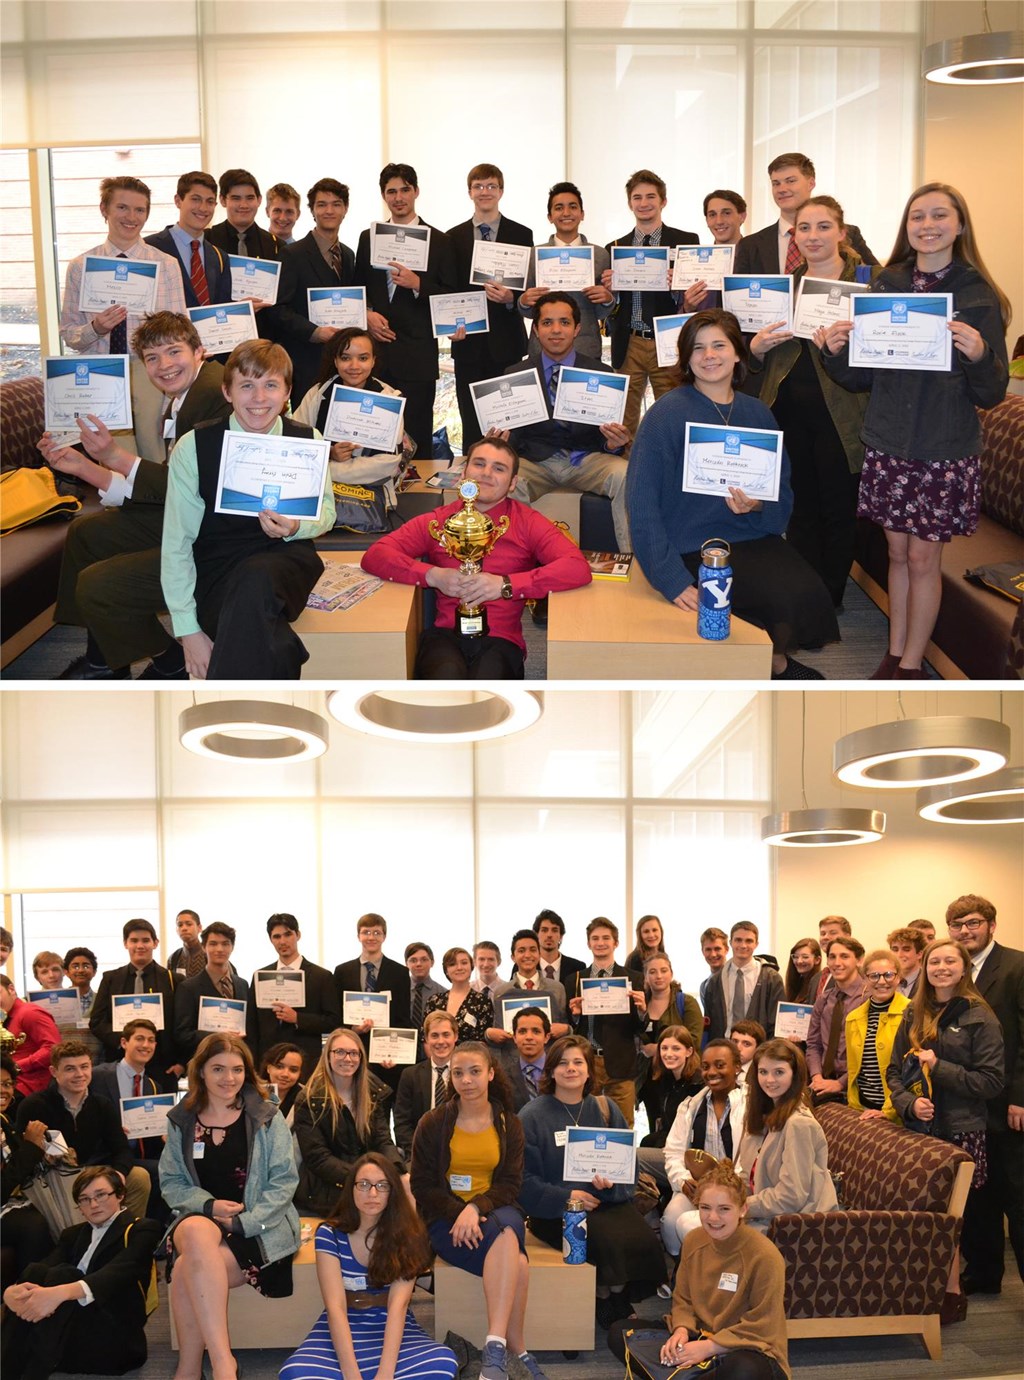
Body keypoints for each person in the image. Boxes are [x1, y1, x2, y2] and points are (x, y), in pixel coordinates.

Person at [818, 182, 1010, 677]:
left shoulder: (977, 293)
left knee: (924, 560)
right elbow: (861, 376)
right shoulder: (888, 283)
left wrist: (979, 354)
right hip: (888, 441)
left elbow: (991, 391)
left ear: (960, 225)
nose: (928, 225)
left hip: (942, 448)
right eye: (917, 216)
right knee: (897, 553)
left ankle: (910, 663)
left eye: (940, 215)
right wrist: (835, 351)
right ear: (906, 227)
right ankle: (895, 648)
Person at [627, 309, 838, 680]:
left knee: (805, 592)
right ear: (686, 359)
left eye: (719, 345)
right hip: (690, 546)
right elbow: (641, 504)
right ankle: (773, 665)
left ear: (738, 353)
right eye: (698, 348)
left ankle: (771, 661)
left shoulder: (758, 414)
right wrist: (669, 578)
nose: (709, 355)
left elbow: (781, 496)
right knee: (751, 599)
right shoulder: (665, 414)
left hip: (750, 537)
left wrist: (757, 505)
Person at [41, 311, 231, 681]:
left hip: (210, 533)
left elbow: (183, 487)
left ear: (199, 351)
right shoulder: (186, 396)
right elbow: (173, 484)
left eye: (173, 352)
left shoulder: (212, 396)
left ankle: (168, 658)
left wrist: (113, 456)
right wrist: (84, 467)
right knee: (87, 533)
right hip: (191, 514)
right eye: (152, 358)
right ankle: (104, 659)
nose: (164, 365)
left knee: (98, 584)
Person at [161, 337, 336, 678]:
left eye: (270, 385)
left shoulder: (307, 440)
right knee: (278, 646)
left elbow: (327, 513)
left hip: (287, 561)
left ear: (287, 393)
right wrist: (188, 631)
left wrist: (296, 527)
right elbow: (177, 542)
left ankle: (223, 701)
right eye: (246, 386)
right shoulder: (194, 447)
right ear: (227, 392)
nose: (258, 398)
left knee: (256, 575)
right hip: (218, 569)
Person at [361, 437, 591, 679]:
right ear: (463, 474)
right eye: (479, 464)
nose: (486, 473)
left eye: (499, 468)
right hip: (445, 634)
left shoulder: (527, 522)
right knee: (445, 678)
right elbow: (376, 555)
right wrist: (432, 576)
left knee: (486, 683)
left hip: (501, 641)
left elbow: (577, 568)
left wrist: (506, 585)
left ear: (513, 483)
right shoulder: (439, 521)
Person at [749, 196, 879, 608]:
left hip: (843, 414)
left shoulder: (868, 284)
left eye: (823, 227)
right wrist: (756, 349)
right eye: (804, 228)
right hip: (788, 411)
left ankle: (830, 597)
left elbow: (882, 354)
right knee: (799, 504)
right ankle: (806, 596)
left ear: (842, 232)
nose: (813, 236)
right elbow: (763, 355)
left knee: (838, 507)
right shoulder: (785, 286)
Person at [160, 1035, 300, 1379]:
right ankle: (225, 1364)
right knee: (196, 1229)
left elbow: (284, 1182)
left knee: (185, 1269)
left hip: (256, 1227)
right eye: (218, 1069)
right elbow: (172, 1182)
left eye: (237, 1069)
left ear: (247, 1072)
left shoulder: (266, 1115)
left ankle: (189, 1369)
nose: (229, 1078)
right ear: (201, 1072)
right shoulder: (182, 1119)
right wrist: (208, 1206)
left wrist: (243, 1223)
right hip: (200, 1219)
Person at [409, 1042, 548, 1380]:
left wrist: (475, 1207)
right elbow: (421, 1186)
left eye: (474, 1072)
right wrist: (459, 1212)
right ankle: (516, 1349)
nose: (466, 1080)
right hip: (447, 1221)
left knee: (506, 1229)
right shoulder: (433, 1123)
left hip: (498, 1209)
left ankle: (494, 1346)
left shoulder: (509, 1123)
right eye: (458, 1073)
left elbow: (511, 1184)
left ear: (490, 1074)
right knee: (517, 1260)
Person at [886, 938, 1003, 1324]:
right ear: (925, 967)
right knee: (927, 1217)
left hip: (961, 1131)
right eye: (934, 961)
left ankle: (952, 1294)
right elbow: (894, 1072)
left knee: (953, 1218)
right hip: (919, 1129)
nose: (941, 968)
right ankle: (924, 1291)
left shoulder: (980, 1016)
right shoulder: (913, 1011)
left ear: (964, 967)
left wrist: (940, 1068)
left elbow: (990, 1082)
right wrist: (909, 1103)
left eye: (950, 961)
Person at [519, 1035, 665, 1328]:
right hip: (557, 1211)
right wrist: (567, 1197)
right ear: (551, 1070)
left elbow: (630, 1169)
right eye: (562, 1063)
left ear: (589, 1071)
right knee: (606, 1242)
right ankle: (604, 1298)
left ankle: (615, 1294)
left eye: (578, 1062)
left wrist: (611, 1186)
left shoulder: (605, 1108)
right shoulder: (531, 1116)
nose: (571, 1069)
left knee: (645, 1240)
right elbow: (524, 1180)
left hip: (607, 1202)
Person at [281, 1153, 458, 1380]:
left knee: (443, 1363)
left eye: (382, 1186)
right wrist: (352, 1375)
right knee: (295, 1372)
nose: (372, 1193)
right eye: (364, 1184)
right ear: (351, 1189)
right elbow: (335, 1307)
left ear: (392, 1192)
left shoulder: (407, 1235)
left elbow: (398, 1307)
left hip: (391, 1324)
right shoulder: (329, 1234)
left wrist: (385, 1374)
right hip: (344, 1322)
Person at [607, 1161, 790, 1380]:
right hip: (698, 1336)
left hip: (745, 1347)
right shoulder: (694, 1240)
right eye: (705, 1208)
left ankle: (681, 1373)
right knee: (619, 1333)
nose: (713, 1218)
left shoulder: (765, 1256)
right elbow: (683, 1299)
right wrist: (681, 1330)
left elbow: (763, 1325)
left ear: (742, 1209)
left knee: (743, 1371)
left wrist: (710, 1347)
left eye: (724, 1209)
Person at [491, 291, 631, 553]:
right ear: (536, 329)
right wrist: (501, 441)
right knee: (501, 480)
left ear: (577, 329)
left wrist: (613, 444)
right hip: (535, 461)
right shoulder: (516, 374)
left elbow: (605, 437)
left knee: (626, 476)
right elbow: (516, 435)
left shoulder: (601, 373)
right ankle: (518, 559)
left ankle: (632, 559)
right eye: (547, 323)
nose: (556, 330)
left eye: (564, 322)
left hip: (586, 459)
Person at [1, 1165, 161, 1379]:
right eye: (84, 1199)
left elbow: (116, 1274)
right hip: (70, 1338)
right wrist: (11, 1292)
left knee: (65, 1276)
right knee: (37, 1272)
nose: (93, 1204)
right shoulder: (72, 1234)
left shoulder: (143, 1230)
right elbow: (43, 1268)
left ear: (120, 1195)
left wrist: (59, 1294)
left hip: (115, 1342)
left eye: (101, 1195)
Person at [944, 895, 1024, 1295]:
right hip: (968, 1107)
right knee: (979, 1196)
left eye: (973, 923)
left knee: (1017, 1197)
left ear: (991, 925)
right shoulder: (952, 973)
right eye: (957, 925)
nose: (965, 931)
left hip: (1008, 1104)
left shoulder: (1016, 966)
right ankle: (985, 1274)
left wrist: (1020, 1097)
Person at [354, 162, 456, 456]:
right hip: (376, 355)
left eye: (404, 190)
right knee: (375, 439)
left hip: (417, 356)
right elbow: (358, 289)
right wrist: (366, 315)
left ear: (416, 192)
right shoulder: (368, 238)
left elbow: (450, 296)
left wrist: (418, 284)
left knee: (418, 438)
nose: (398, 197)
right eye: (391, 191)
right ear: (383, 196)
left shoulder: (440, 241)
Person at [603, 169, 699, 440]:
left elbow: (696, 296)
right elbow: (609, 306)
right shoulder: (614, 248)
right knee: (624, 418)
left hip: (668, 340)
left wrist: (679, 285)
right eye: (637, 197)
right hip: (629, 341)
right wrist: (612, 292)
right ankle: (627, 465)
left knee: (673, 414)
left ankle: (669, 464)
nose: (643, 203)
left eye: (650, 197)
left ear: (663, 201)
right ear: (629, 203)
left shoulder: (686, 242)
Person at [446, 163, 534, 449]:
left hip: (507, 343)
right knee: (472, 422)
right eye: (479, 186)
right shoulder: (451, 237)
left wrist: (512, 299)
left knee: (509, 422)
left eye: (491, 186)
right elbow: (448, 289)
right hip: (467, 342)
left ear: (501, 191)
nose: (485, 192)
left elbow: (529, 286)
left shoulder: (522, 234)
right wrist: (448, 324)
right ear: (469, 192)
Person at [16, 1040, 150, 1221]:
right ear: (54, 1072)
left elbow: (122, 1149)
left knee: (139, 1177)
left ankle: (124, 1231)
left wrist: (118, 1174)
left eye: (84, 1067)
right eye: (70, 1069)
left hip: (92, 1172)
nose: (79, 1074)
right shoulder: (34, 1106)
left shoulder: (102, 1104)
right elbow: (21, 1156)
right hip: (52, 1177)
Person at [293, 326, 410, 529]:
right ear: (335, 361)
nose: (354, 366)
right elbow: (295, 446)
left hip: (371, 496)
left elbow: (389, 464)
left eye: (363, 358)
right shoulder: (318, 394)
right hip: (318, 496)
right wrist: (329, 453)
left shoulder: (389, 399)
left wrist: (325, 469)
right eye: (345, 358)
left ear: (373, 361)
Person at [58, 175, 186, 356]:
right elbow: (69, 334)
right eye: (122, 207)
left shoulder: (167, 266)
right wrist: (96, 328)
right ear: (104, 209)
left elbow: (179, 332)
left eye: (139, 210)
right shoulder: (80, 267)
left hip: (151, 369)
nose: (131, 217)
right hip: (100, 369)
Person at [293, 1028, 404, 1218]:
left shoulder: (372, 1093)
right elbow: (318, 1158)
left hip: (368, 1185)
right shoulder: (309, 1099)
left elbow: (383, 1140)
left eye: (354, 1053)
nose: (348, 1058)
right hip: (326, 1190)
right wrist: (363, 1178)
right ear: (328, 1056)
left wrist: (396, 1171)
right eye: (340, 1052)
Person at [736, 1040, 837, 1231]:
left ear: (795, 1075)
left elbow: (791, 1197)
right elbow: (748, 1175)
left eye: (779, 1072)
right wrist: (728, 1196)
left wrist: (741, 1207)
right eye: (763, 1072)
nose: (769, 1080)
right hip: (765, 1215)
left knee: (695, 1225)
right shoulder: (762, 1114)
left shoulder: (799, 1124)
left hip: (797, 1225)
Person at [661, 1039, 747, 1254]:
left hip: (734, 1188)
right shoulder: (691, 1105)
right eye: (706, 1066)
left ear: (737, 1067)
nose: (712, 1072)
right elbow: (673, 1151)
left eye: (720, 1065)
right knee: (670, 1221)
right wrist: (683, 1180)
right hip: (697, 1186)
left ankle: (707, 1265)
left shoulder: (751, 1105)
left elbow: (752, 1157)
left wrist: (729, 1187)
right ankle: (682, 1267)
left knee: (690, 1225)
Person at [277, 179, 357, 404]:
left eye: (336, 204)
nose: (329, 211)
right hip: (307, 362)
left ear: (345, 209)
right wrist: (315, 332)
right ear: (312, 210)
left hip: (344, 364)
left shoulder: (348, 255)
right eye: (322, 205)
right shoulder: (292, 254)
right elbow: (279, 309)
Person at [735, 151, 875, 275]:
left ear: (811, 183)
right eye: (776, 183)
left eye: (790, 181)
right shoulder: (750, 246)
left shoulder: (850, 235)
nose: (782, 189)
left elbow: (879, 282)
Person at [518, 181, 613, 360]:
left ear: (582, 214)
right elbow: (528, 313)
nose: (566, 213)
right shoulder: (533, 255)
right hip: (542, 350)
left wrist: (607, 300)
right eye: (559, 208)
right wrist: (523, 302)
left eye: (573, 207)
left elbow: (600, 313)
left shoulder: (600, 255)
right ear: (550, 216)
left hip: (585, 348)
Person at [567, 917, 646, 1126]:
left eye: (606, 938)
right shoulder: (575, 979)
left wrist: (641, 1011)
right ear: (588, 943)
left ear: (615, 943)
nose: (600, 942)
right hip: (587, 1060)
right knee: (584, 1123)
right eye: (595, 938)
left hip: (621, 1063)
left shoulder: (633, 978)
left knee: (623, 1125)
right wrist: (576, 1015)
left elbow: (639, 1028)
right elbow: (570, 1026)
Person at [247, 912, 342, 1079]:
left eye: (288, 934)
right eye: (276, 936)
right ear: (270, 940)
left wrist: (298, 1018)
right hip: (268, 1063)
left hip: (306, 1063)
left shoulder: (321, 977)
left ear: (298, 935)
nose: (282, 941)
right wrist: (253, 1066)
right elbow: (252, 1025)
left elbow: (333, 1021)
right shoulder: (260, 977)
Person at [89, 918, 180, 1087]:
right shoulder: (111, 979)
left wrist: (182, 1064)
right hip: (119, 1063)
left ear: (155, 943)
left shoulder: (174, 980)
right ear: (126, 943)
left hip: (163, 1068)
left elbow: (182, 1024)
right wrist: (126, 1042)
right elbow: (97, 1021)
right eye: (134, 940)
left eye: (145, 940)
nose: (140, 946)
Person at [334, 912, 413, 1095]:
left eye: (377, 933)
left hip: (385, 1054)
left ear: (384, 936)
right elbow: (335, 1014)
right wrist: (353, 1029)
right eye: (366, 932)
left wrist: (394, 1053)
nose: (371, 937)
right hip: (351, 1050)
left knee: (382, 1104)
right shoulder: (342, 971)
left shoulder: (400, 972)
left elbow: (402, 1019)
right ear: (358, 936)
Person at [0, 1055, 52, 1296]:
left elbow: (19, 1167)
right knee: (35, 1225)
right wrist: (30, 1148)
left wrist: (42, 1151)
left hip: (9, 1202)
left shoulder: (4, 1120)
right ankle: (25, 1299)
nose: (4, 1090)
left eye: (7, 1084)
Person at [144, 170, 232, 308]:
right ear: (178, 201)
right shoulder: (149, 248)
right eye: (196, 199)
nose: (203, 208)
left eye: (209, 201)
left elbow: (222, 307)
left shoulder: (219, 257)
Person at [637, 1025, 704, 1197]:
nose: (668, 1053)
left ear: (689, 1051)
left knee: (633, 1158)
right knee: (647, 1141)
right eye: (664, 1048)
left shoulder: (698, 1085)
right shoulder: (666, 1079)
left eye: (676, 1048)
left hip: (685, 1154)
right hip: (668, 1144)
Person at [845, 949, 909, 1122]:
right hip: (862, 1109)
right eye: (874, 976)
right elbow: (853, 1071)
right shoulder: (853, 1018)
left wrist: (889, 1110)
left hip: (899, 1112)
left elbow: (912, 1073)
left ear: (898, 977)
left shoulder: (912, 1013)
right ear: (865, 979)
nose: (882, 981)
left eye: (888, 975)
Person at [173, 922, 250, 1061]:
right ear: (204, 947)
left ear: (232, 947)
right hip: (204, 1061)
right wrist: (218, 1036)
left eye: (225, 944)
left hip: (237, 1060)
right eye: (213, 944)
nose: (219, 949)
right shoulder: (188, 988)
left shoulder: (242, 985)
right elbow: (182, 1034)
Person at [805, 937, 866, 1106]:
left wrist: (840, 1083)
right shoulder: (824, 999)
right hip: (822, 1082)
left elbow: (870, 1054)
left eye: (844, 956)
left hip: (856, 1086)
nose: (837, 963)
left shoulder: (869, 998)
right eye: (832, 957)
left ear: (859, 960)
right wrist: (817, 1077)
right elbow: (813, 1044)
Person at [704, 922, 785, 1043]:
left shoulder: (771, 979)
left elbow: (777, 1024)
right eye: (738, 940)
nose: (743, 945)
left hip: (759, 1047)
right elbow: (710, 1026)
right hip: (725, 1046)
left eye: (749, 941)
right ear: (730, 942)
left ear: (756, 944)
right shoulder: (715, 981)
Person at [486, 929, 569, 1044]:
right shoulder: (502, 991)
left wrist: (567, 1029)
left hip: (548, 1053)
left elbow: (564, 1027)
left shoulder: (557, 988)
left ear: (539, 954)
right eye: (521, 951)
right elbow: (497, 1032)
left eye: (533, 950)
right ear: (513, 957)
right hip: (512, 1053)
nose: (528, 955)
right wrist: (488, 1034)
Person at [394, 1011, 460, 1155]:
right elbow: (402, 1123)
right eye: (434, 1035)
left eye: (446, 1035)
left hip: (460, 1151)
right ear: (426, 1038)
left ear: (455, 1036)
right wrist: (418, 1150)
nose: (440, 1041)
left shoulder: (465, 1074)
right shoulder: (410, 1075)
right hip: (420, 1151)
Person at [206, 168, 283, 262]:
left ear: (259, 200)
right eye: (236, 198)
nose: (243, 205)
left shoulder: (275, 246)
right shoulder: (206, 241)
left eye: (250, 198)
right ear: (222, 200)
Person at [0, 975, 60, 1094]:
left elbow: (53, 1048)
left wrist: (16, 1066)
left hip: (25, 1086)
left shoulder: (30, 1013)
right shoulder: (4, 1016)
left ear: (11, 989)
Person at [424, 947, 495, 1045]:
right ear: (446, 970)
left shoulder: (482, 1001)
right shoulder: (434, 1001)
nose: (459, 967)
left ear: (471, 967)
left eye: (464, 963)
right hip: (438, 1054)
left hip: (471, 1054)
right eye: (452, 964)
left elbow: (484, 1041)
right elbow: (425, 1038)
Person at [639, 952, 703, 1057]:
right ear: (646, 977)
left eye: (664, 971)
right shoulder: (640, 1004)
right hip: (645, 1066)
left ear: (671, 974)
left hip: (680, 1065)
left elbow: (694, 1041)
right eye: (652, 972)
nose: (659, 976)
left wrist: (658, 1049)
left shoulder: (687, 1002)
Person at [492, 1006, 552, 1111]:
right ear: (514, 1037)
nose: (529, 1037)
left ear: (546, 1037)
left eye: (536, 1031)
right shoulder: (502, 1077)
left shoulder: (558, 1071)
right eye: (522, 1031)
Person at [532, 909, 587, 990]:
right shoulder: (525, 966)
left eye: (554, 930)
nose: (549, 935)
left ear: (561, 936)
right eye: (544, 930)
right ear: (536, 935)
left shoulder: (577, 968)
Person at [259, 1042, 305, 1127]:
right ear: (268, 1068)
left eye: (293, 1070)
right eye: (279, 1067)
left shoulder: (306, 1098)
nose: (285, 1074)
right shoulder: (252, 1093)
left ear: (299, 1073)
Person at [405, 942, 447, 1031]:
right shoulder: (398, 991)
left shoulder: (443, 993)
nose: (419, 964)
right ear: (406, 964)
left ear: (432, 962)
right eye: (413, 960)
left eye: (424, 959)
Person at [887, 925, 926, 999]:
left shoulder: (928, 982)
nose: (899, 955)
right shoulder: (885, 981)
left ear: (919, 954)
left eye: (906, 949)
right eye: (895, 949)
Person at [784, 938, 822, 1005]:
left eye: (805, 957)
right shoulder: (797, 983)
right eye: (795, 957)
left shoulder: (820, 985)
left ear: (817, 960)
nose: (799, 961)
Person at [700, 927, 729, 1009]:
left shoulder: (738, 978)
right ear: (703, 951)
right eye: (708, 949)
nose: (713, 954)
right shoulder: (704, 986)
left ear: (726, 949)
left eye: (717, 949)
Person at [730, 1020, 766, 1086]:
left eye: (746, 1044)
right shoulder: (718, 1068)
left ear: (758, 1049)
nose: (738, 1048)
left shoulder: (760, 1075)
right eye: (735, 1042)